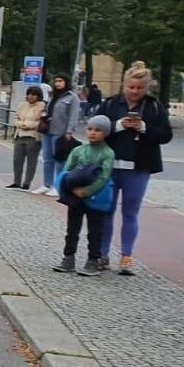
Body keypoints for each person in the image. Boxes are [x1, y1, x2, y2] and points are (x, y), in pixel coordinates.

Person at [97, 63, 174, 275]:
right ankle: (102, 254)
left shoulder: (154, 107)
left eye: (139, 88)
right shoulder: (111, 104)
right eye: (131, 87)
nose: (134, 92)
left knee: (130, 212)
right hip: (110, 166)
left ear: (146, 87)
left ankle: (126, 257)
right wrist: (120, 124)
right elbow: (96, 130)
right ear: (124, 85)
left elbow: (166, 135)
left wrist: (144, 128)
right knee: (106, 210)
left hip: (138, 168)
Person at [53, 116, 116, 277]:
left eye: (98, 130)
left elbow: (104, 176)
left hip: (96, 197)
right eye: (90, 129)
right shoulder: (79, 150)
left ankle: (93, 259)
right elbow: (68, 170)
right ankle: (68, 257)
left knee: (95, 230)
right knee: (72, 228)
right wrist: (72, 188)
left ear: (106, 133)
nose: (93, 133)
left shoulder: (107, 153)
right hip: (76, 196)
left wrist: (87, 191)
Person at [36, 74, 82, 196]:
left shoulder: (72, 97)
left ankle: (58, 186)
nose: (57, 83)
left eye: (60, 81)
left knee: (60, 160)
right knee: (47, 159)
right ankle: (47, 184)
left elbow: (73, 116)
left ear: (66, 82)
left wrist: (69, 131)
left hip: (60, 132)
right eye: (56, 81)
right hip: (47, 130)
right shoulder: (53, 96)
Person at [9, 85, 44, 190]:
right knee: (17, 159)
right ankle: (16, 182)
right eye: (28, 94)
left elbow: (41, 122)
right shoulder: (22, 105)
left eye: (33, 94)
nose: (30, 96)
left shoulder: (42, 106)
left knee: (31, 161)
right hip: (20, 135)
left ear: (38, 96)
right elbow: (16, 117)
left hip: (33, 136)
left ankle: (27, 183)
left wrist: (28, 125)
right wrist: (19, 124)